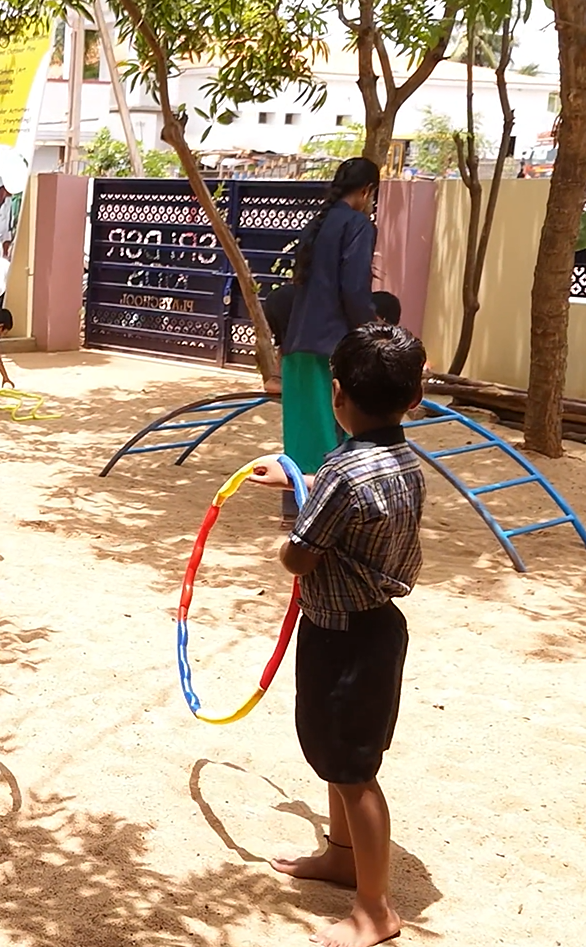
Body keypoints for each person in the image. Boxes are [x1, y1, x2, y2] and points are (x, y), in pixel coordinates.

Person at [252, 323, 427, 947]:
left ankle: (376, 910)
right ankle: (342, 855)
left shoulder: (341, 474)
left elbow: (301, 558)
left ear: (336, 396)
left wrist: (291, 532)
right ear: (417, 395)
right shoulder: (407, 462)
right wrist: (299, 480)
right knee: (336, 754)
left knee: (353, 771)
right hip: (377, 627)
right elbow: (351, 516)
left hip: (341, 634)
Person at [280, 157, 381, 526]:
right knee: (333, 427)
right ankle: (325, 512)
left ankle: (295, 505)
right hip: (332, 343)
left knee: (304, 427)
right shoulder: (358, 225)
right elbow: (354, 289)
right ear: (368, 191)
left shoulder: (316, 225)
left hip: (298, 341)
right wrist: (373, 329)